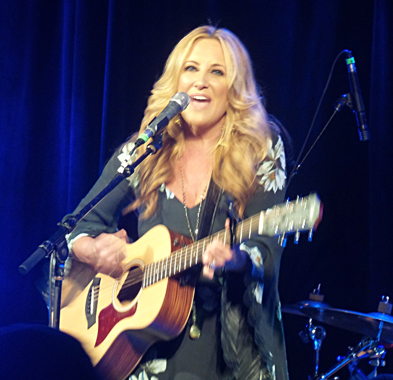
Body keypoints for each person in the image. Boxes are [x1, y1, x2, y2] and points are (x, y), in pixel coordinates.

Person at [64, 25, 290, 380]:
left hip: (221, 349)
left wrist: (235, 259)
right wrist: (92, 251)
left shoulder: (259, 148)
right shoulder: (145, 150)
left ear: (234, 87)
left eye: (217, 72)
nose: (200, 82)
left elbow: (264, 246)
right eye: (191, 69)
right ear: (176, 80)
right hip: (142, 349)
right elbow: (79, 226)